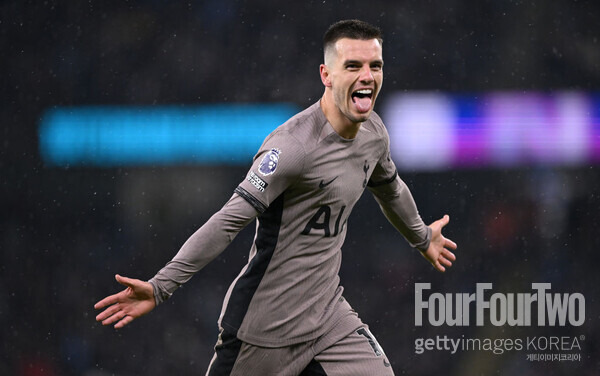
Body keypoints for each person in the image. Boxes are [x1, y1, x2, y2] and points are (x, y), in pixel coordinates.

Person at [95, 19, 457, 375]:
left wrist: (421, 237)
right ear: (326, 75)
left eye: (374, 66)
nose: (367, 76)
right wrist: (161, 286)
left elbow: (390, 188)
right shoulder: (292, 147)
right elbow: (228, 220)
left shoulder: (374, 134)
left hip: (328, 317)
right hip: (264, 328)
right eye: (353, 66)